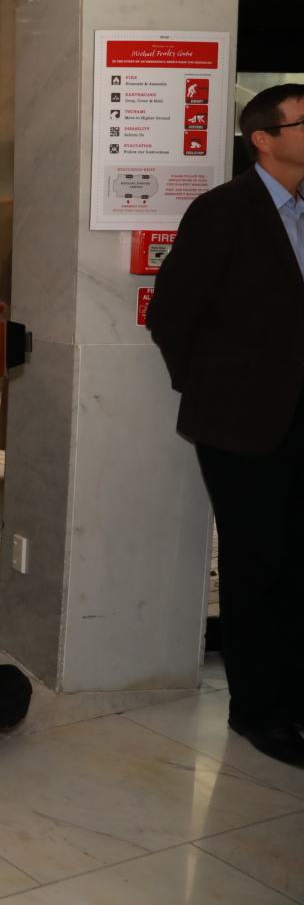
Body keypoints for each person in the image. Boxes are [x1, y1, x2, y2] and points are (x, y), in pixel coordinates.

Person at [148, 83, 304, 769]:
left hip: (300, 416)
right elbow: (171, 315)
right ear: (263, 139)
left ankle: (294, 697)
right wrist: (215, 389)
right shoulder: (223, 210)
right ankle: (259, 712)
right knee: (256, 565)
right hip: (243, 423)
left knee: (297, 563)